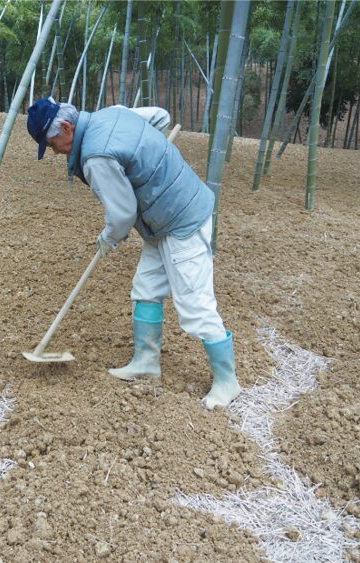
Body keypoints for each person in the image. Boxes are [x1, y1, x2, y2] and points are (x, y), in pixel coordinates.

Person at [26, 97, 239, 410]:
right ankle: (146, 363)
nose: (56, 152)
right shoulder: (111, 115)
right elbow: (160, 117)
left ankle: (227, 381)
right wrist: (145, 157)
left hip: (181, 221)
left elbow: (123, 214)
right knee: (147, 289)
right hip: (159, 221)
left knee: (195, 303)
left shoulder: (96, 156)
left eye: (52, 143)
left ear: (67, 128)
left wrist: (108, 239)